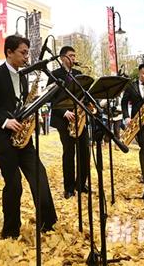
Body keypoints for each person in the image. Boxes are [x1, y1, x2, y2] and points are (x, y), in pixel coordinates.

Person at [0, 35, 57, 239]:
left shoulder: (22, 76)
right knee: (14, 183)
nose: (26, 57)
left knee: (39, 174)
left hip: (23, 136)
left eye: (27, 52)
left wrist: (31, 114)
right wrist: (4, 121)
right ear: (9, 52)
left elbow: (21, 104)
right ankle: (10, 231)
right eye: (23, 52)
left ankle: (47, 223)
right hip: (2, 137)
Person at [49, 46, 89, 199]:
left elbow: (84, 95)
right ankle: (69, 187)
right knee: (69, 152)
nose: (74, 58)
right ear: (62, 57)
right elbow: (50, 98)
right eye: (71, 56)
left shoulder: (79, 74)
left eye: (74, 56)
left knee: (85, 151)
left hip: (79, 117)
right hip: (62, 118)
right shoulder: (54, 74)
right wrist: (64, 112)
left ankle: (81, 183)